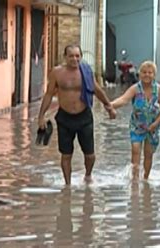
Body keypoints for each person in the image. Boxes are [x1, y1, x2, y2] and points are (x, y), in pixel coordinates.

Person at [37, 45, 116, 185]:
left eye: (77, 56)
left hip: (84, 117)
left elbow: (97, 90)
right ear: (65, 57)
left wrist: (108, 106)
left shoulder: (86, 71)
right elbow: (49, 94)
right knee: (66, 155)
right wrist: (41, 116)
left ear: (81, 57)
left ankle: (88, 176)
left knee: (90, 155)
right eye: (71, 56)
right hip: (64, 118)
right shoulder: (57, 73)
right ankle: (67, 185)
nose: (74, 59)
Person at [111, 61, 160, 180]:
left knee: (148, 154)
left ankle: (146, 179)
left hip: (153, 127)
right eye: (144, 72)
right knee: (135, 149)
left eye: (150, 73)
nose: (147, 75)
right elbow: (123, 100)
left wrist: (156, 123)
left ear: (154, 75)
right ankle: (135, 179)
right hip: (137, 126)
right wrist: (110, 105)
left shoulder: (159, 90)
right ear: (139, 74)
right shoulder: (135, 89)